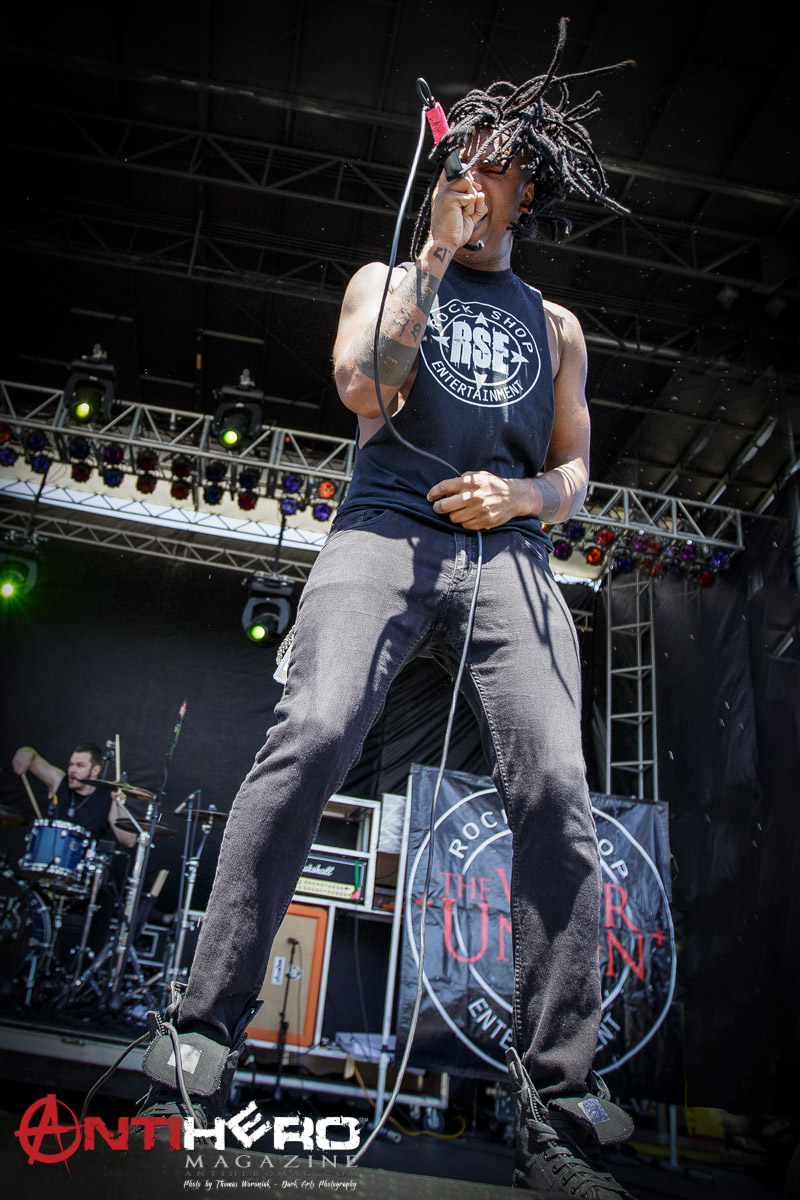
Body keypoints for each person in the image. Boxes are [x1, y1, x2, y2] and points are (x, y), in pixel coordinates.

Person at [135, 22, 638, 1197]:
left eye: (496, 169)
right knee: (312, 730)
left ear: (525, 191)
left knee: (555, 783)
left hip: (508, 549)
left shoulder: (555, 326)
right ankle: (198, 1042)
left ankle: (556, 1103)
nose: (473, 180)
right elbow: (365, 387)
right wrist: (429, 260)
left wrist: (524, 494)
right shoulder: (386, 280)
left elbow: (576, 471)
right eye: (461, 161)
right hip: (384, 524)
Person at [11, 742, 137, 849]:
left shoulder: (106, 797)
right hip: (46, 854)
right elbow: (32, 757)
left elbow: (129, 841)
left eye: (80, 766)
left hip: (80, 865)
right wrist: (25, 752)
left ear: (95, 771)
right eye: (71, 764)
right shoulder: (59, 781)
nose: (72, 770)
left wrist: (119, 802)